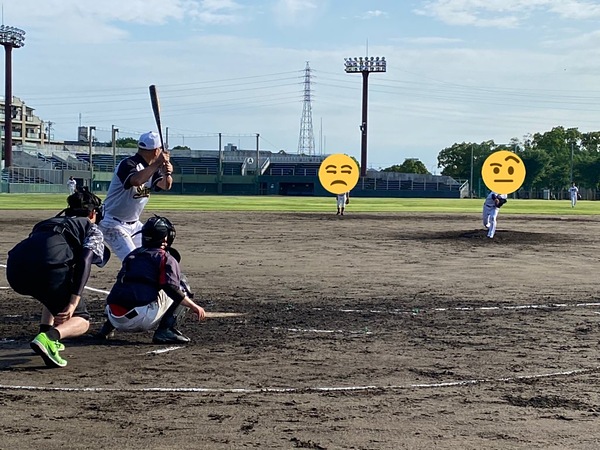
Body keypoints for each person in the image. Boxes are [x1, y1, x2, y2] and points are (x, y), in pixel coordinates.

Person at [6, 188, 110, 368]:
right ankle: (49, 338)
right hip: (48, 268)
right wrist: (73, 302)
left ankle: (43, 332)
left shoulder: (46, 222)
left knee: (51, 290)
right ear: (93, 212)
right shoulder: (90, 227)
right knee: (82, 319)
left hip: (15, 270)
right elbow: (85, 260)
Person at [99, 215, 206, 344]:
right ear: (165, 238)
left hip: (114, 316)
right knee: (181, 284)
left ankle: (106, 329)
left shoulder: (132, 255)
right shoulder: (166, 258)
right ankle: (165, 331)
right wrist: (194, 306)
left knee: (127, 284)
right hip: (140, 320)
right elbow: (171, 288)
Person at [99, 131, 174, 262]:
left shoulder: (152, 168)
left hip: (134, 224)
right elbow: (136, 181)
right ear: (156, 151)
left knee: (152, 255)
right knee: (134, 261)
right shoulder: (128, 164)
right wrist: (157, 164)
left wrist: (167, 173)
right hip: (112, 222)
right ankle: (128, 281)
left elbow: (165, 186)